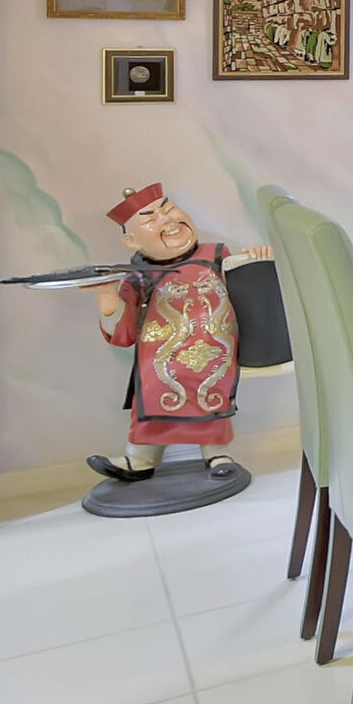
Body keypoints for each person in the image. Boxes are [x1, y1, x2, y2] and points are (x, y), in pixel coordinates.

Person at [81, 184, 270, 483]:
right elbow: (123, 333)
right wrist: (106, 295)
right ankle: (140, 459)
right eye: (151, 219)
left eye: (169, 209)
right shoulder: (137, 278)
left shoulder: (217, 254)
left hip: (215, 353)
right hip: (159, 362)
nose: (167, 220)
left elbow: (248, 290)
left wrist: (257, 260)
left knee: (212, 398)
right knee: (150, 401)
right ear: (132, 241)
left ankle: (216, 454)